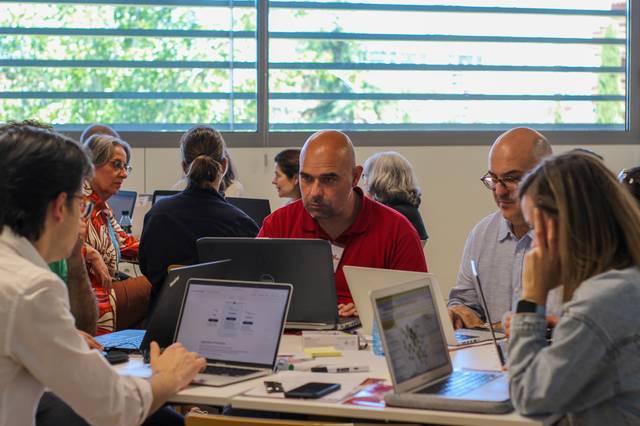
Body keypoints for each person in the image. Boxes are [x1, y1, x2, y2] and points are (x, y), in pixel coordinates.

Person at [0, 125, 206, 426]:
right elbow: (113, 407)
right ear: (60, 206)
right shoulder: (33, 289)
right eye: (80, 204)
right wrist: (168, 377)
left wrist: (62, 337)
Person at [508, 152, 640, 423]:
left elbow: (527, 395)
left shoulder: (598, 304)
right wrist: (569, 331)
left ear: (560, 227)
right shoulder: (627, 281)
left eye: (535, 228)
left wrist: (531, 298)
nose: (533, 246)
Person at [258, 130, 427, 316]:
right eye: (306, 178)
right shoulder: (279, 224)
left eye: (328, 179)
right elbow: (251, 296)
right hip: (291, 340)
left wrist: (375, 309)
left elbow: (419, 311)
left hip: (364, 340)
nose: (314, 192)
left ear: (355, 177)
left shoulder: (396, 230)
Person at [447, 127, 561, 329]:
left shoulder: (573, 239)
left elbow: (565, 325)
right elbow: (464, 301)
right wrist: (459, 314)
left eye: (511, 179)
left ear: (546, 178)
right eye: (493, 179)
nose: (499, 191)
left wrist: (492, 327)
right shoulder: (482, 234)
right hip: (489, 358)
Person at [140, 126, 259, 311]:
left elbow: (147, 270)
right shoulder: (242, 224)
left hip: (166, 327)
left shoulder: (157, 215)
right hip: (225, 325)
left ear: (184, 167)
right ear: (225, 165)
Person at [83, 134, 151, 334]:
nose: (123, 174)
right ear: (91, 165)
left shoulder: (101, 206)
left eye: (125, 167)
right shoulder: (77, 201)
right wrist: (88, 251)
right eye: (116, 165)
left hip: (105, 292)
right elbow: (56, 243)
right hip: (92, 300)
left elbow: (126, 243)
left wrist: (169, 249)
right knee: (163, 283)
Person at [362, 151, 428, 242]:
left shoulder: (391, 216)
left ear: (378, 180)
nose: (364, 183)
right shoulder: (410, 212)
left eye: (365, 176)